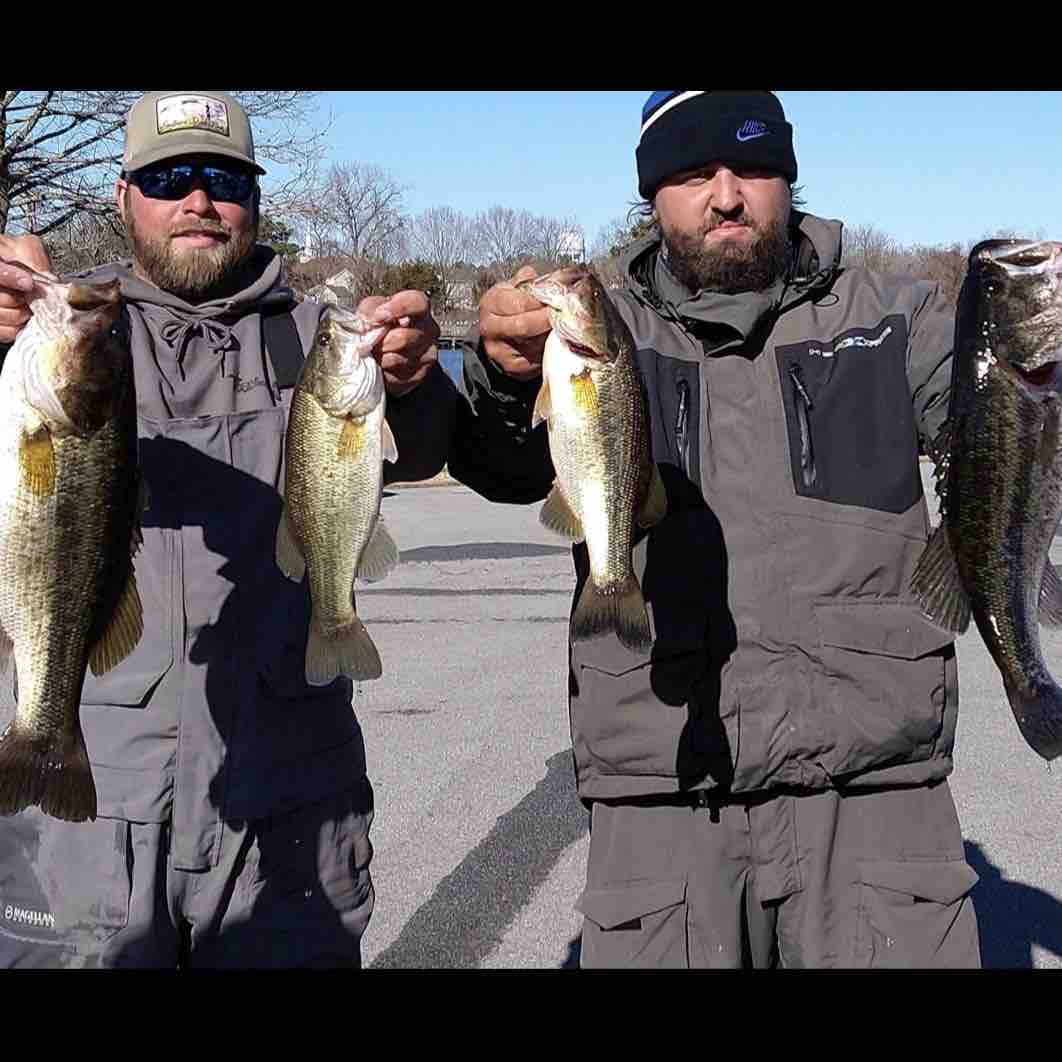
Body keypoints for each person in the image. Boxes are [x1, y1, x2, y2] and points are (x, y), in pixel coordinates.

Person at [448, 90, 982, 969]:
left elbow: (1004, 425)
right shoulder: (598, 327)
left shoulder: (900, 317)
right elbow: (505, 470)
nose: (726, 195)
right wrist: (505, 385)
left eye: (752, 168)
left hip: (878, 791)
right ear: (653, 194)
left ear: (788, 177)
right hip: (664, 793)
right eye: (694, 173)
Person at [0, 90, 452, 968]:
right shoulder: (63, 334)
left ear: (254, 196)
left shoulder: (324, 338)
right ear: (125, 196)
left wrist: (422, 378)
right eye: (169, 178)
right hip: (88, 827)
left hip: (286, 807)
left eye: (222, 178)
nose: (198, 200)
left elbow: (433, 444)